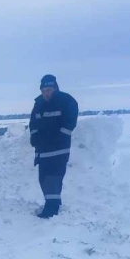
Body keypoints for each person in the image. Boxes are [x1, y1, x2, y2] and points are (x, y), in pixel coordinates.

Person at [29, 74, 79, 218]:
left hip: (59, 149)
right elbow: (33, 123)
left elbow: (70, 122)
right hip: (43, 150)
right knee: (43, 178)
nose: (47, 93)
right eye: (44, 90)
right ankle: (52, 203)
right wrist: (34, 136)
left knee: (53, 178)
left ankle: (52, 209)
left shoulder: (66, 100)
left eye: (49, 89)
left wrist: (60, 136)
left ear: (55, 88)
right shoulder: (38, 103)